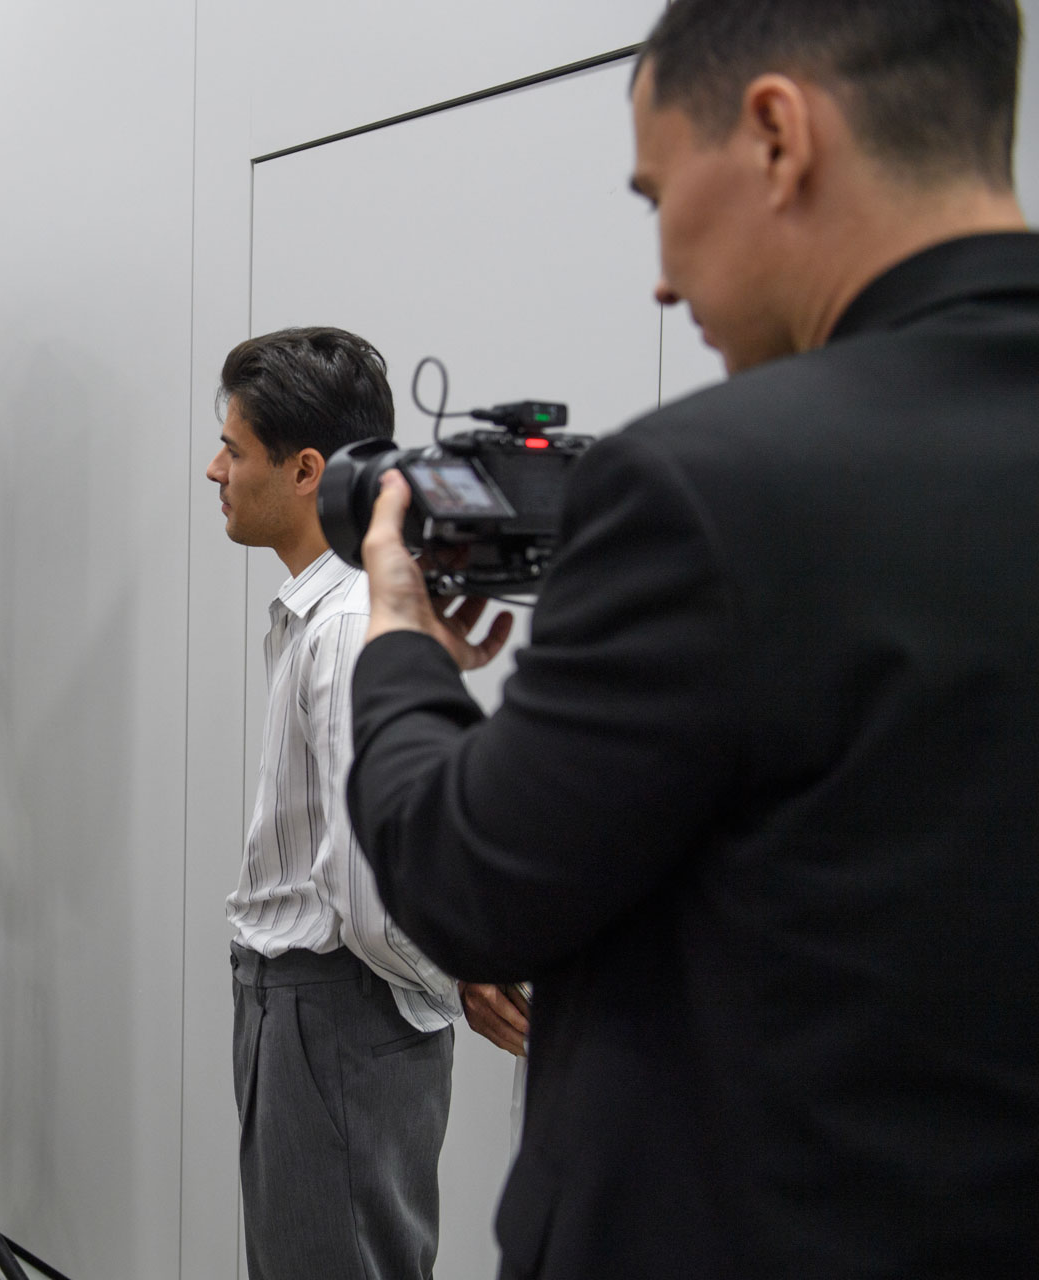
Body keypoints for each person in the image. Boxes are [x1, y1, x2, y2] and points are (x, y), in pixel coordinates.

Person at [344, 2, 1039, 1277]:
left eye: (659, 195)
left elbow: (467, 880)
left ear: (778, 133)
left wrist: (402, 644)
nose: (662, 277)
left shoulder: (709, 483)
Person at [208, 327, 463, 1280]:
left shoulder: (349, 622)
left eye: (233, 449)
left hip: (340, 1014)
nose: (215, 470)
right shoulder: (321, 615)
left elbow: (365, 890)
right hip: (302, 1010)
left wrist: (445, 985)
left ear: (306, 469)